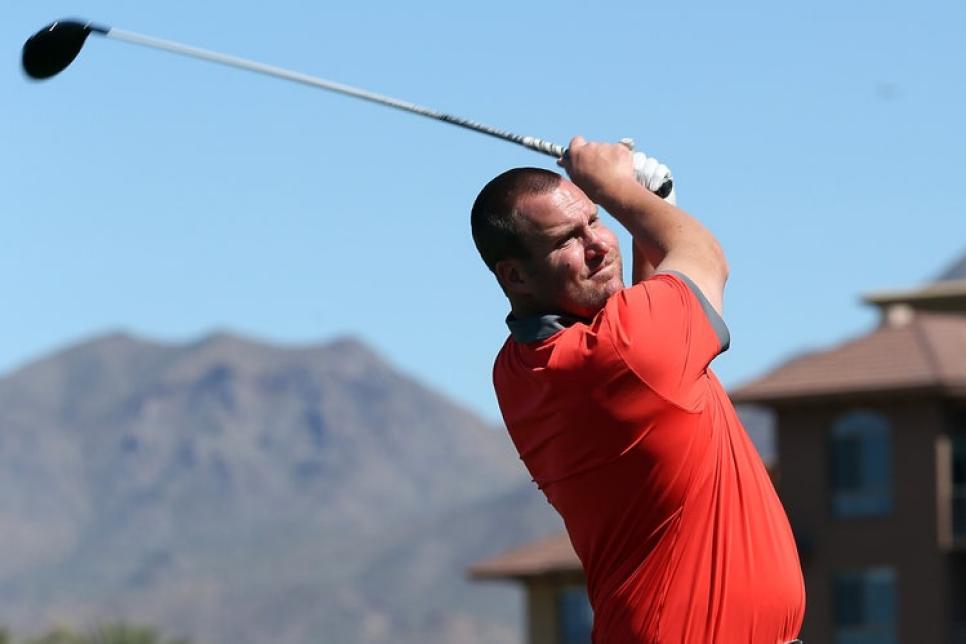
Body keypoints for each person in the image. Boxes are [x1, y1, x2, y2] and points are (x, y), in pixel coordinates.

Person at [470, 137, 805, 643]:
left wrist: (650, 205)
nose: (598, 245)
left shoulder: (519, 369)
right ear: (515, 276)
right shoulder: (623, 352)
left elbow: (643, 321)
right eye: (567, 240)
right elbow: (705, 259)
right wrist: (620, 191)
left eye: (595, 220)